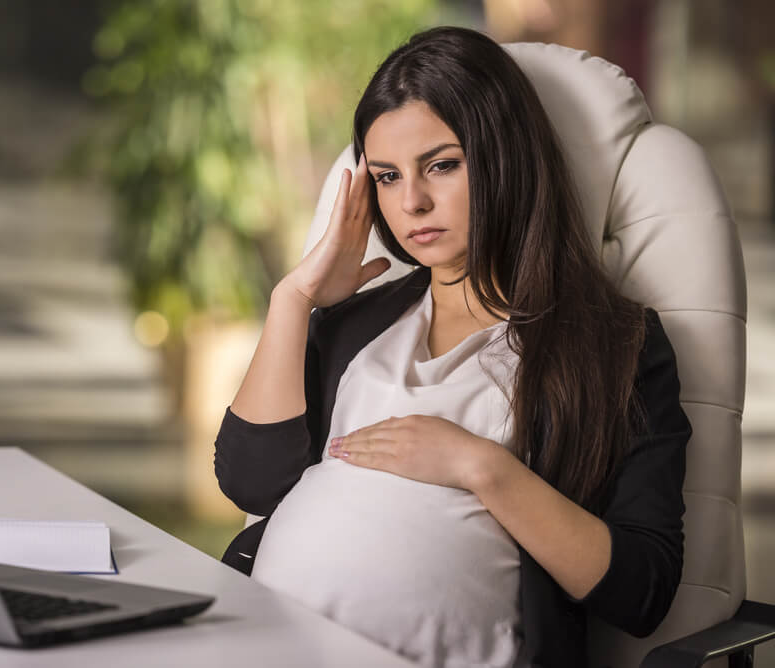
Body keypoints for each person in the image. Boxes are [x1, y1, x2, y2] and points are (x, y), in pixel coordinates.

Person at [213, 25, 690, 668]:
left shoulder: (614, 345)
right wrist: (293, 299)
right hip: (262, 644)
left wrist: (480, 466)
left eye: (441, 165)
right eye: (386, 176)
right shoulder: (357, 321)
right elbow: (253, 483)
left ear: (503, 156)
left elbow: (643, 591)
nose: (411, 202)